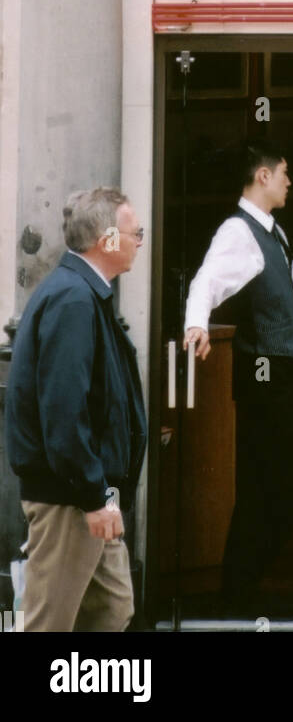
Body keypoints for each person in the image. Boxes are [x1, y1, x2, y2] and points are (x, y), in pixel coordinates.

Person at [184, 142, 293, 620]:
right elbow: (206, 280)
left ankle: (240, 590)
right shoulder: (238, 231)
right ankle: (240, 593)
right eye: (284, 173)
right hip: (265, 378)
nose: (290, 181)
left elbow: (289, 300)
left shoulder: (275, 233)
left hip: (285, 373)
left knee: (280, 485)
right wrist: (196, 323)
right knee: (274, 487)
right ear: (262, 176)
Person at [5, 187, 148, 632]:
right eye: (134, 232)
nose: (140, 240)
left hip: (88, 492)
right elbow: (64, 413)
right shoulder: (74, 299)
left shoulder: (83, 294)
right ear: (106, 240)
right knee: (49, 623)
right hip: (71, 499)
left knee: (111, 609)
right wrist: (92, 496)